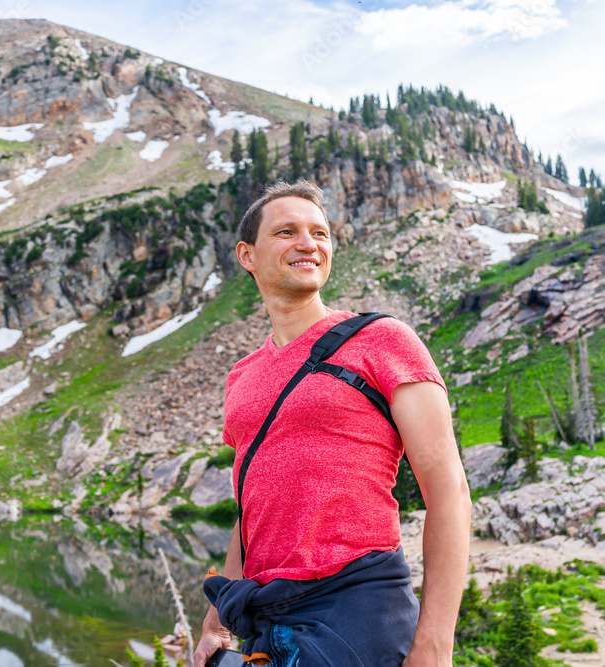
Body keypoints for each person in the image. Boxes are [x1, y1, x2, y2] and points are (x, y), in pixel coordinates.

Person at [193, 180, 471, 667]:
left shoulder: (384, 341)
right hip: (263, 621)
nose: (308, 243)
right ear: (247, 255)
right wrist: (217, 622)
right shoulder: (242, 375)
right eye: (286, 231)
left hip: (358, 613)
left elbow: (448, 491)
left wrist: (434, 645)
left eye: (319, 233)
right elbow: (251, 509)